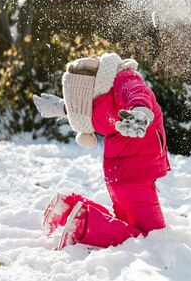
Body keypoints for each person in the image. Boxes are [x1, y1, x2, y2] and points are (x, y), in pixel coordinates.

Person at [33, 52, 171, 250]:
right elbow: (136, 92)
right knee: (152, 236)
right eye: (87, 61)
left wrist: (59, 108)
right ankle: (84, 225)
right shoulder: (122, 79)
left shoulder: (95, 107)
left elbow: (79, 106)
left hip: (119, 177)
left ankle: (69, 207)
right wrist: (140, 111)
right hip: (136, 174)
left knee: (127, 226)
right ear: (94, 76)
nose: (91, 54)